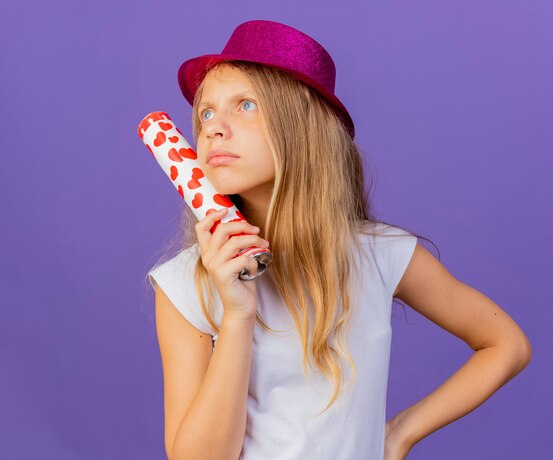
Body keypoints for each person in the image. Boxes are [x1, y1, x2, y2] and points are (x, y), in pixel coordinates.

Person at [146, 19, 532, 460]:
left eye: (246, 104)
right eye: (206, 112)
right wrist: (237, 314)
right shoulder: (184, 285)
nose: (213, 127)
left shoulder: (380, 254)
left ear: (304, 127)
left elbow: (507, 345)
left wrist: (401, 432)